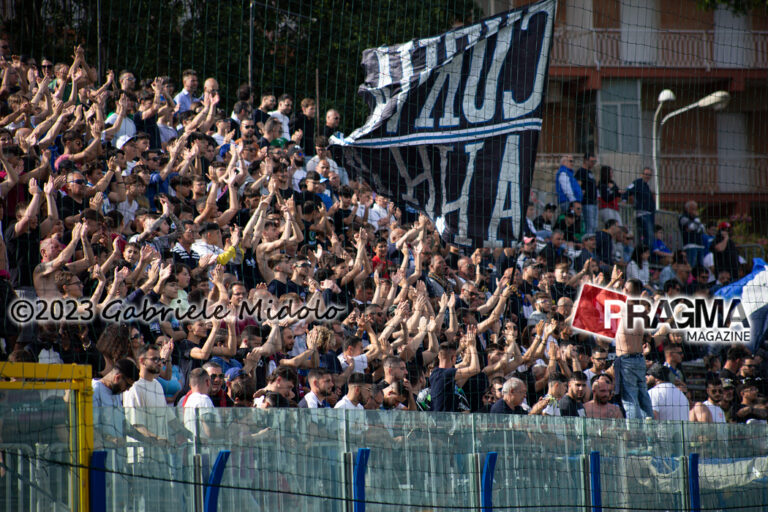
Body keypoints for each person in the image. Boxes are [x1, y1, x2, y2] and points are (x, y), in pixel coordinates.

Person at [614, 279, 654, 419]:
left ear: (628, 291)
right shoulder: (642, 311)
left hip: (627, 359)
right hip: (639, 359)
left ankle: (636, 433)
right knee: (643, 396)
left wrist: (614, 284)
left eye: (625, 288)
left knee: (630, 400)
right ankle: (650, 429)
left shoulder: (623, 308)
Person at [429, 329, 481, 412]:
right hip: (444, 420)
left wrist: (467, 346)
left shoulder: (435, 372)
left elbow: (465, 363)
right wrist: (472, 346)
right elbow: (475, 369)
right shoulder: (448, 374)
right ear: (454, 358)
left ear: (439, 356)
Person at [623, 167, 656, 247]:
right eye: (646, 174)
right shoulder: (638, 183)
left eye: (649, 175)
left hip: (649, 214)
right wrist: (624, 199)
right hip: (643, 214)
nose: (647, 176)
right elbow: (628, 190)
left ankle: (646, 254)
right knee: (648, 236)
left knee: (647, 236)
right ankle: (647, 255)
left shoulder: (646, 186)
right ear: (641, 174)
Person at [575, 153, 598, 235]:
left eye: (594, 162)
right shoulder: (581, 171)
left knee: (594, 226)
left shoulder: (590, 172)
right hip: (587, 203)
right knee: (589, 226)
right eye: (591, 161)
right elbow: (578, 185)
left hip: (593, 203)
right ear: (585, 160)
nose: (593, 164)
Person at [679, 201, 706, 269]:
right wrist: (696, 224)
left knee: (701, 268)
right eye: (693, 208)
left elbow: (702, 229)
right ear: (687, 208)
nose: (695, 211)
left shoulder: (696, 219)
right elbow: (692, 226)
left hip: (700, 244)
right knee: (691, 266)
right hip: (690, 245)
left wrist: (695, 225)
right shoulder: (683, 217)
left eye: (695, 209)